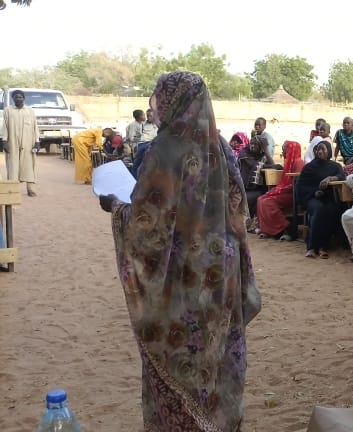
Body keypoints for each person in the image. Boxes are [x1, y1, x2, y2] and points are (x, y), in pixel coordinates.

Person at [98, 71, 260, 431]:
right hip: (221, 275)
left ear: (173, 101)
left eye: (159, 98)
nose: (155, 107)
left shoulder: (167, 149)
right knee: (217, 358)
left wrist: (115, 207)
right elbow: (238, 216)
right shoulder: (221, 148)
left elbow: (147, 228)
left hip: (183, 279)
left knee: (181, 362)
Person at [296, 141, 345, 258]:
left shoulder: (335, 166)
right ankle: (312, 247)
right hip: (312, 198)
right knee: (319, 209)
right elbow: (301, 186)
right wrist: (314, 192)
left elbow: (342, 176)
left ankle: (323, 246)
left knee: (332, 210)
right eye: (318, 149)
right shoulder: (309, 167)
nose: (320, 151)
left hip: (328, 197)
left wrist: (331, 178)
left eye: (323, 149)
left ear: (329, 151)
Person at [255, 140, 304, 240]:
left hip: (293, 194)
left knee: (268, 202)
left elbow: (297, 184)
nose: (284, 152)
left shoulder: (299, 162)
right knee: (261, 199)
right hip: (284, 191)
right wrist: (277, 190)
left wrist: (279, 190)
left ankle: (286, 228)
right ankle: (267, 229)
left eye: (285, 150)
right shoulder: (288, 162)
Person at [1, 90, 39, 197]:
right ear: (13, 99)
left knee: (29, 165)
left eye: (20, 97)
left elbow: (35, 127)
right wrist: (4, 141)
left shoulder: (30, 111)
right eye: (16, 97)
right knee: (12, 165)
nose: (18, 99)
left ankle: (30, 189)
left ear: (24, 98)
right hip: (12, 141)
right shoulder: (8, 110)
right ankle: (12, 190)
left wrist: (37, 142)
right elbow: (5, 127)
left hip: (28, 142)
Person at [238, 136, 275, 220]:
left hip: (257, 189)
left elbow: (272, 166)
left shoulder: (262, 156)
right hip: (244, 189)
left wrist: (266, 151)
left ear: (261, 147)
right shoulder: (244, 154)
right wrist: (272, 165)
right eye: (251, 143)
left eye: (256, 144)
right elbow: (256, 165)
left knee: (262, 196)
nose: (252, 146)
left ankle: (253, 221)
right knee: (257, 197)